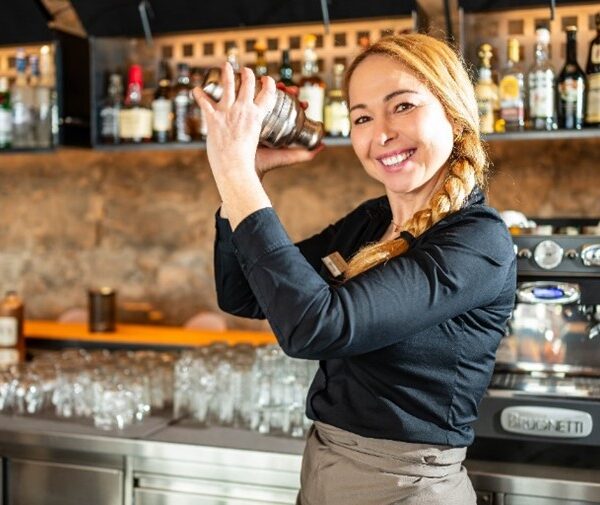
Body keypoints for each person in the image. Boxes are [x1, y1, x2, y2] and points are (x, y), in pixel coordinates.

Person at [193, 33, 516, 505]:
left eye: (402, 106)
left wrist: (236, 173)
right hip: (322, 470)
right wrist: (245, 181)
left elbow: (316, 328)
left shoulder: (476, 242)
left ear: (454, 111)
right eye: (362, 116)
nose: (380, 133)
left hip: (407, 487)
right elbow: (242, 294)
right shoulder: (371, 221)